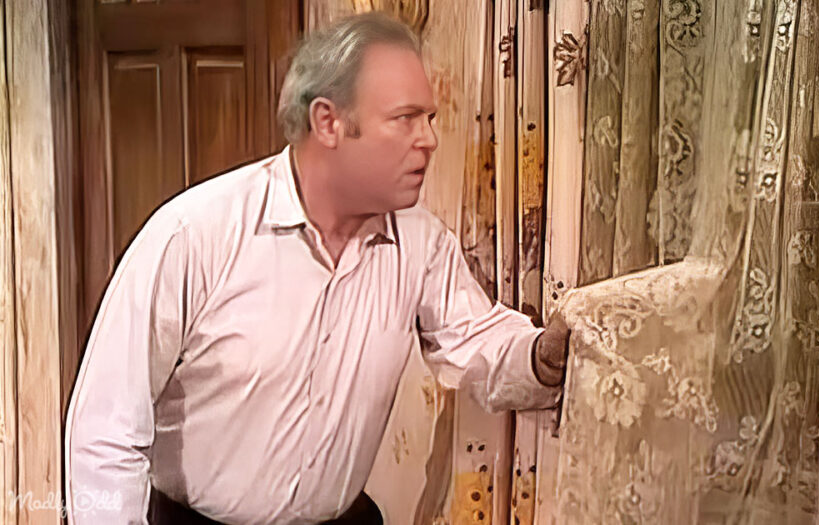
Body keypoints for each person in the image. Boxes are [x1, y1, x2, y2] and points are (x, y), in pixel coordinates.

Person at [64, 12, 569, 525]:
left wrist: (541, 356)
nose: (429, 139)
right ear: (328, 122)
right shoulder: (193, 235)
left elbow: (474, 341)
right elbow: (105, 432)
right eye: (405, 118)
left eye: (430, 118)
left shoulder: (422, 243)